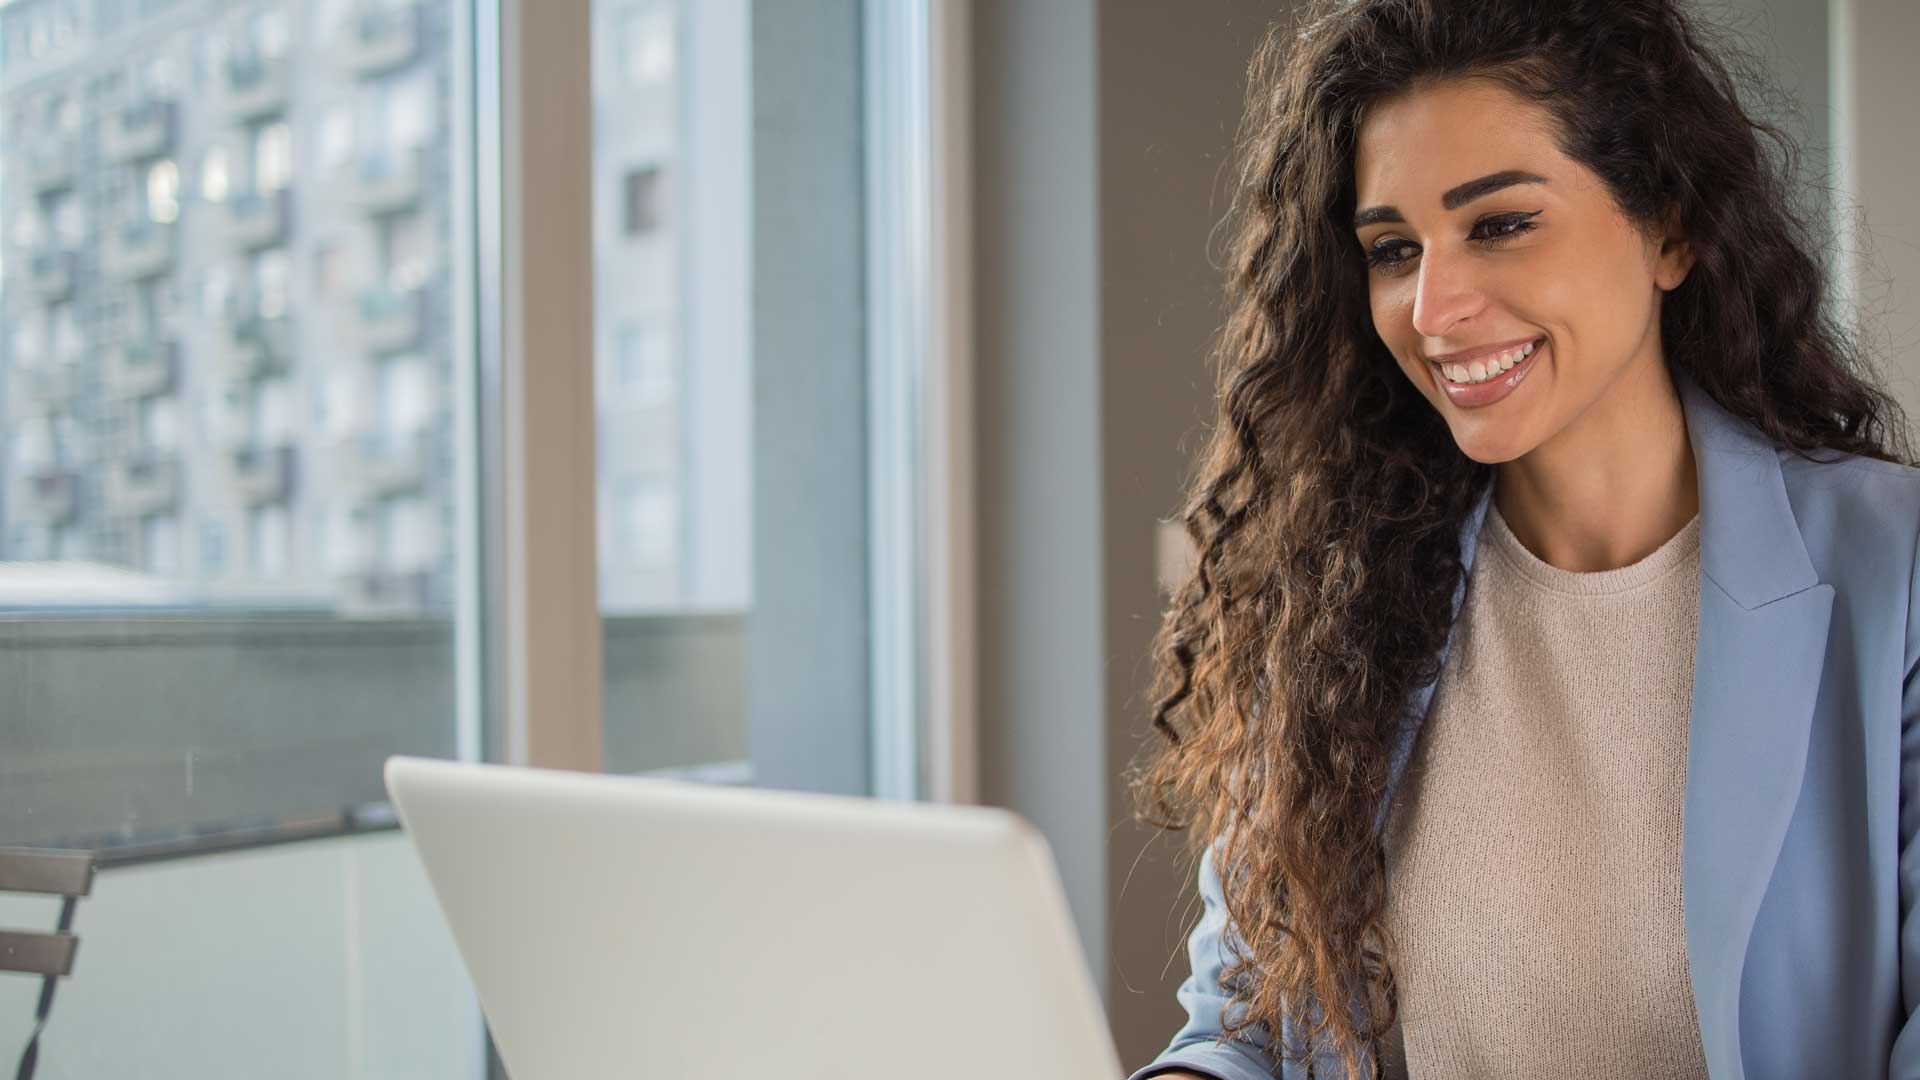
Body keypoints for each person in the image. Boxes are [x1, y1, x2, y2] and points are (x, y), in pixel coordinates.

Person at [1123, 1, 1920, 1078]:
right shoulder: (1333, 601)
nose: (1434, 308)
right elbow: (1246, 1031)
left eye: (1500, 223)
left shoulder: (1896, 571)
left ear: (1671, 227)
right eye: (1393, 249)